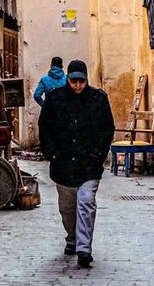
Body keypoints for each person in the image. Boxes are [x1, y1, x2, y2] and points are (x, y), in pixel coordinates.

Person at [36, 59, 113, 269]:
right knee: (68, 208)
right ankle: (72, 239)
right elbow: (45, 128)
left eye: (81, 81)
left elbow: (107, 129)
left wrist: (98, 155)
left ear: (86, 79)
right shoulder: (55, 100)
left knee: (86, 202)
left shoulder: (98, 99)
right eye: (73, 81)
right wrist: (51, 153)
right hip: (63, 165)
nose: (77, 85)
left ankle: (84, 249)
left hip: (89, 165)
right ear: (67, 79)